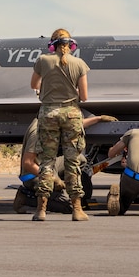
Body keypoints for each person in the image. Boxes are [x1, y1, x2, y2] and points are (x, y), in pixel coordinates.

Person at [28, 29, 90, 222]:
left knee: (47, 162)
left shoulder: (43, 60)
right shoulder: (79, 64)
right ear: (70, 45)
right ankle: (77, 209)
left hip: (48, 114)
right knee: (73, 162)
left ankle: (41, 210)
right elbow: (85, 97)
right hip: (71, 114)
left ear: (52, 44)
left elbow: (33, 85)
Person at [13, 113, 118, 214]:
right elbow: (27, 163)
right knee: (70, 206)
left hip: (49, 165)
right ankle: (26, 198)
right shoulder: (38, 131)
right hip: (34, 175)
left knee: (80, 160)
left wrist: (98, 119)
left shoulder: (50, 122)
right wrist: (52, 178)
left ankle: (69, 192)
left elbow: (72, 126)